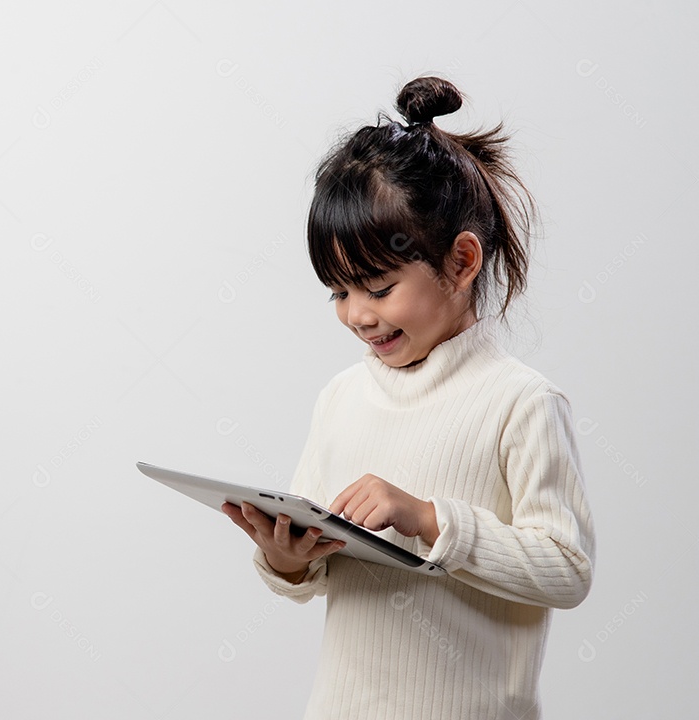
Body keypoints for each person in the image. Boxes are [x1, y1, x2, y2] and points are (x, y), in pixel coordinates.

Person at [221, 75, 596, 720]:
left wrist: (427, 517)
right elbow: (310, 558)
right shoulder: (341, 397)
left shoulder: (520, 403)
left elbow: (567, 570)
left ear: (462, 262)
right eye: (339, 293)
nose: (358, 316)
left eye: (378, 286)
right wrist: (285, 559)